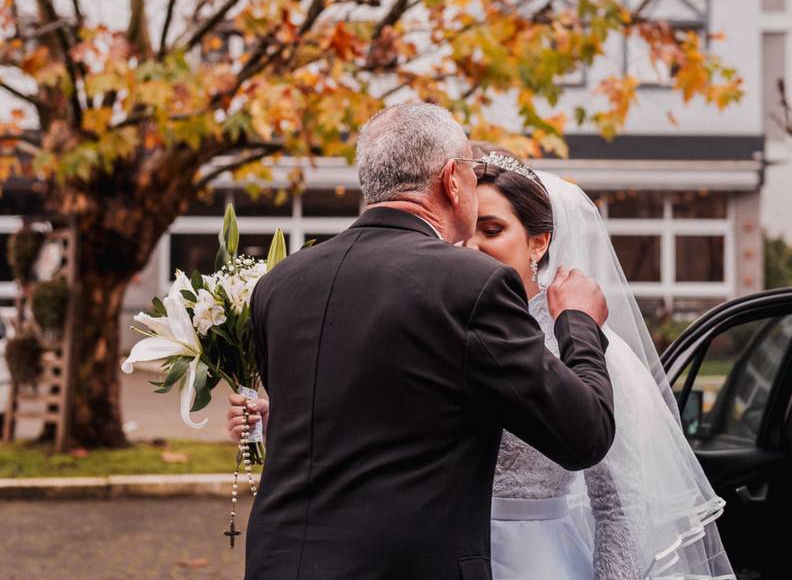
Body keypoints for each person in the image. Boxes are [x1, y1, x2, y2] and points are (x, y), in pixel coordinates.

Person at [231, 144, 736, 579]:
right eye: (469, 231)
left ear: (539, 242)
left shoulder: (585, 343)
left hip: (535, 559)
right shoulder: (440, 318)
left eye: (492, 230)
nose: (472, 247)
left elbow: (618, 504)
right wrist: (278, 421)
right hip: (431, 555)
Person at [237, 102, 615, 580]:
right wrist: (579, 322)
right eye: (475, 174)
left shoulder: (282, 283)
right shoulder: (471, 283)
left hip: (280, 564)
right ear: (454, 180)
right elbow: (584, 434)